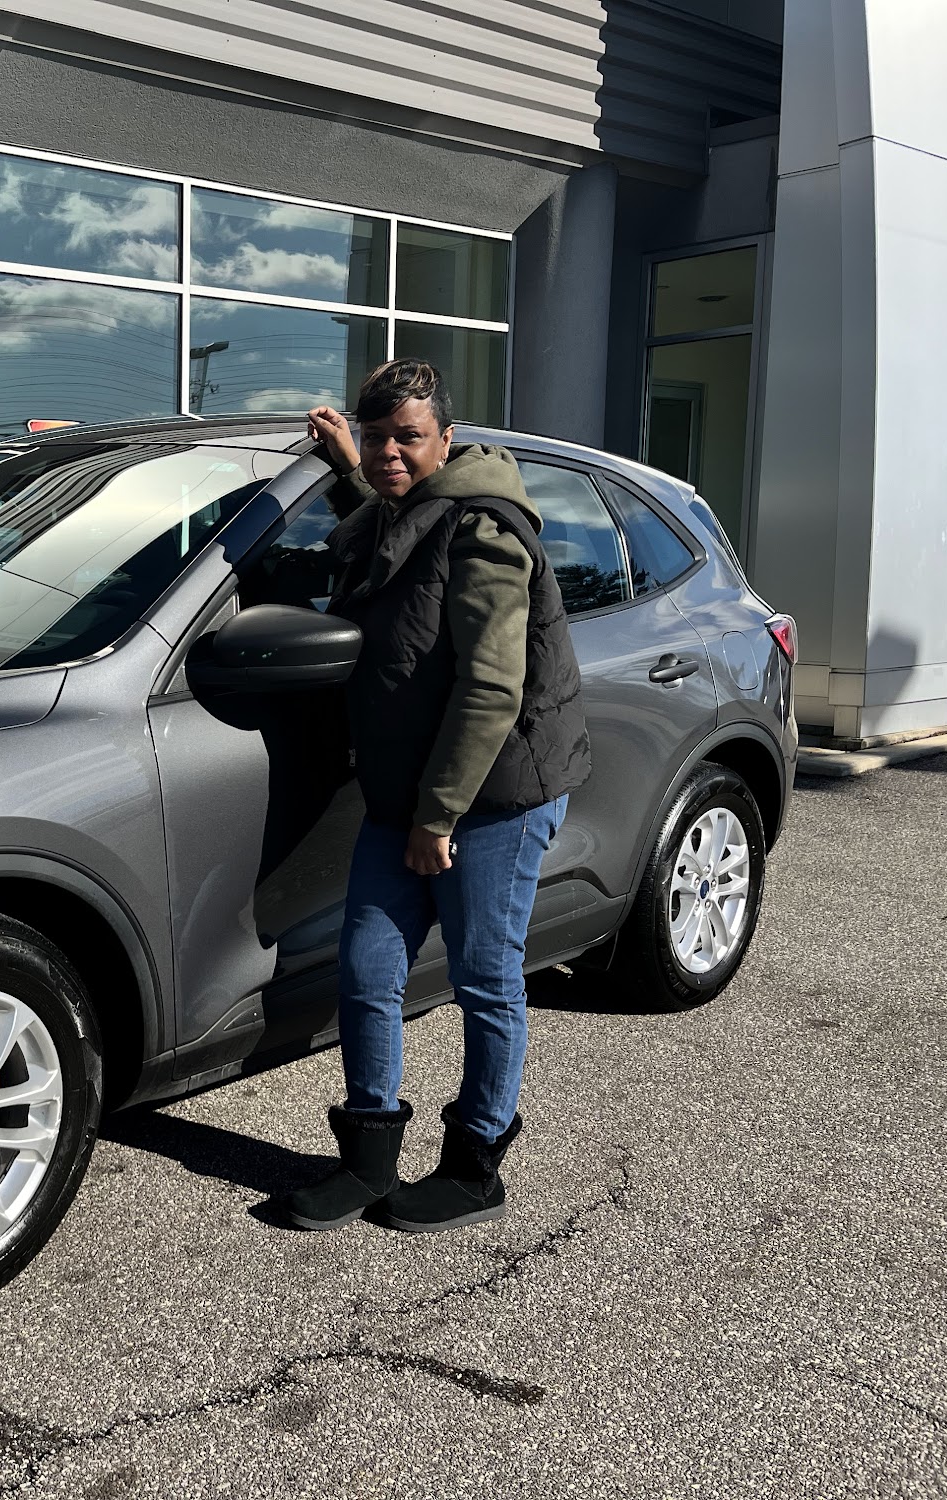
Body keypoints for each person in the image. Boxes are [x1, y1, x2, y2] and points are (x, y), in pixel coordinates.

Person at [276, 358, 590, 1235]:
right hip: (408, 792)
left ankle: (475, 1166)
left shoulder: (485, 531)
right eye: (376, 437)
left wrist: (437, 817)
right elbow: (394, 541)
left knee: (485, 977)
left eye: (407, 438)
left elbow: (490, 689)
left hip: (490, 796)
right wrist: (348, 465)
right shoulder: (406, 506)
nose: (389, 452)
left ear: (445, 440)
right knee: (368, 968)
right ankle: (368, 1160)